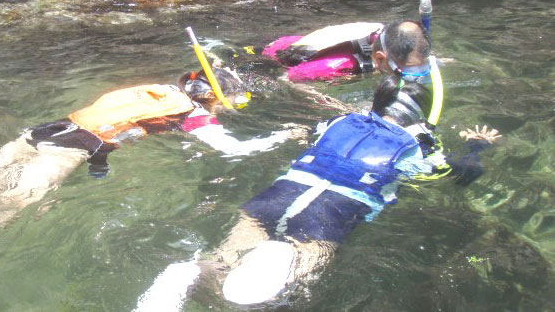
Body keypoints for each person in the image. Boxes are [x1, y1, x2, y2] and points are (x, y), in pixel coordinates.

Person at [133, 75, 501, 310]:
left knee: (222, 259)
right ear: (420, 116)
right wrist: (479, 147)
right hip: (330, 217)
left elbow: (318, 134)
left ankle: (189, 273)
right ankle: (270, 285)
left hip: (274, 198)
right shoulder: (417, 146)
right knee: (297, 287)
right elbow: (459, 175)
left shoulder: (339, 121)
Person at [0, 67, 308, 225]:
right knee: (6, 211)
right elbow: (234, 150)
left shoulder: (159, 91)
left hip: (49, 128)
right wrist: (283, 138)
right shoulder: (193, 116)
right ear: (212, 98)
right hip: (73, 146)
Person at [261, 20, 434, 83]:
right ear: (380, 59)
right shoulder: (334, 66)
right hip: (274, 56)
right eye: (406, 72)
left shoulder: (388, 35)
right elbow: (289, 78)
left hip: (299, 41)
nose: (414, 77)